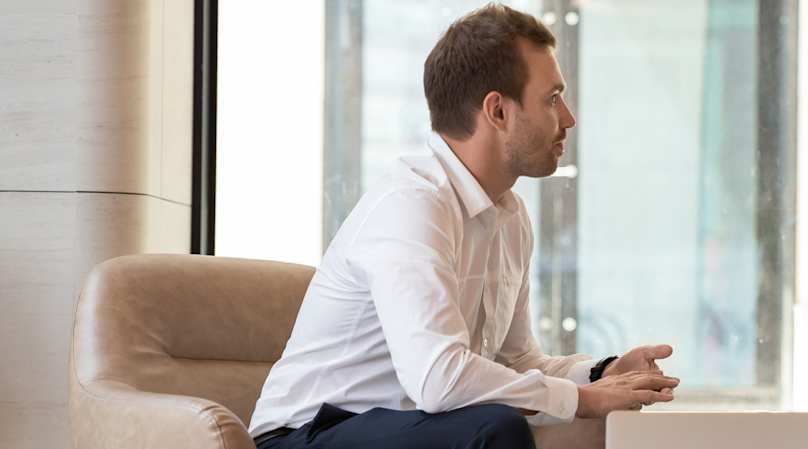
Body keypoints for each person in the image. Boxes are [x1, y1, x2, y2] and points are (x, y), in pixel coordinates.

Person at [247, 5, 679, 449]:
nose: (568, 118)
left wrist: (601, 374)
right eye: (552, 99)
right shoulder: (411, 204)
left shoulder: (509, 216)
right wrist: (580, 399)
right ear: (497, 111)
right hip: (305, 436)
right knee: (497, 427)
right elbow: (439, 378)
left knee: (567, 421)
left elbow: (517, 361)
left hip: (411, 428)